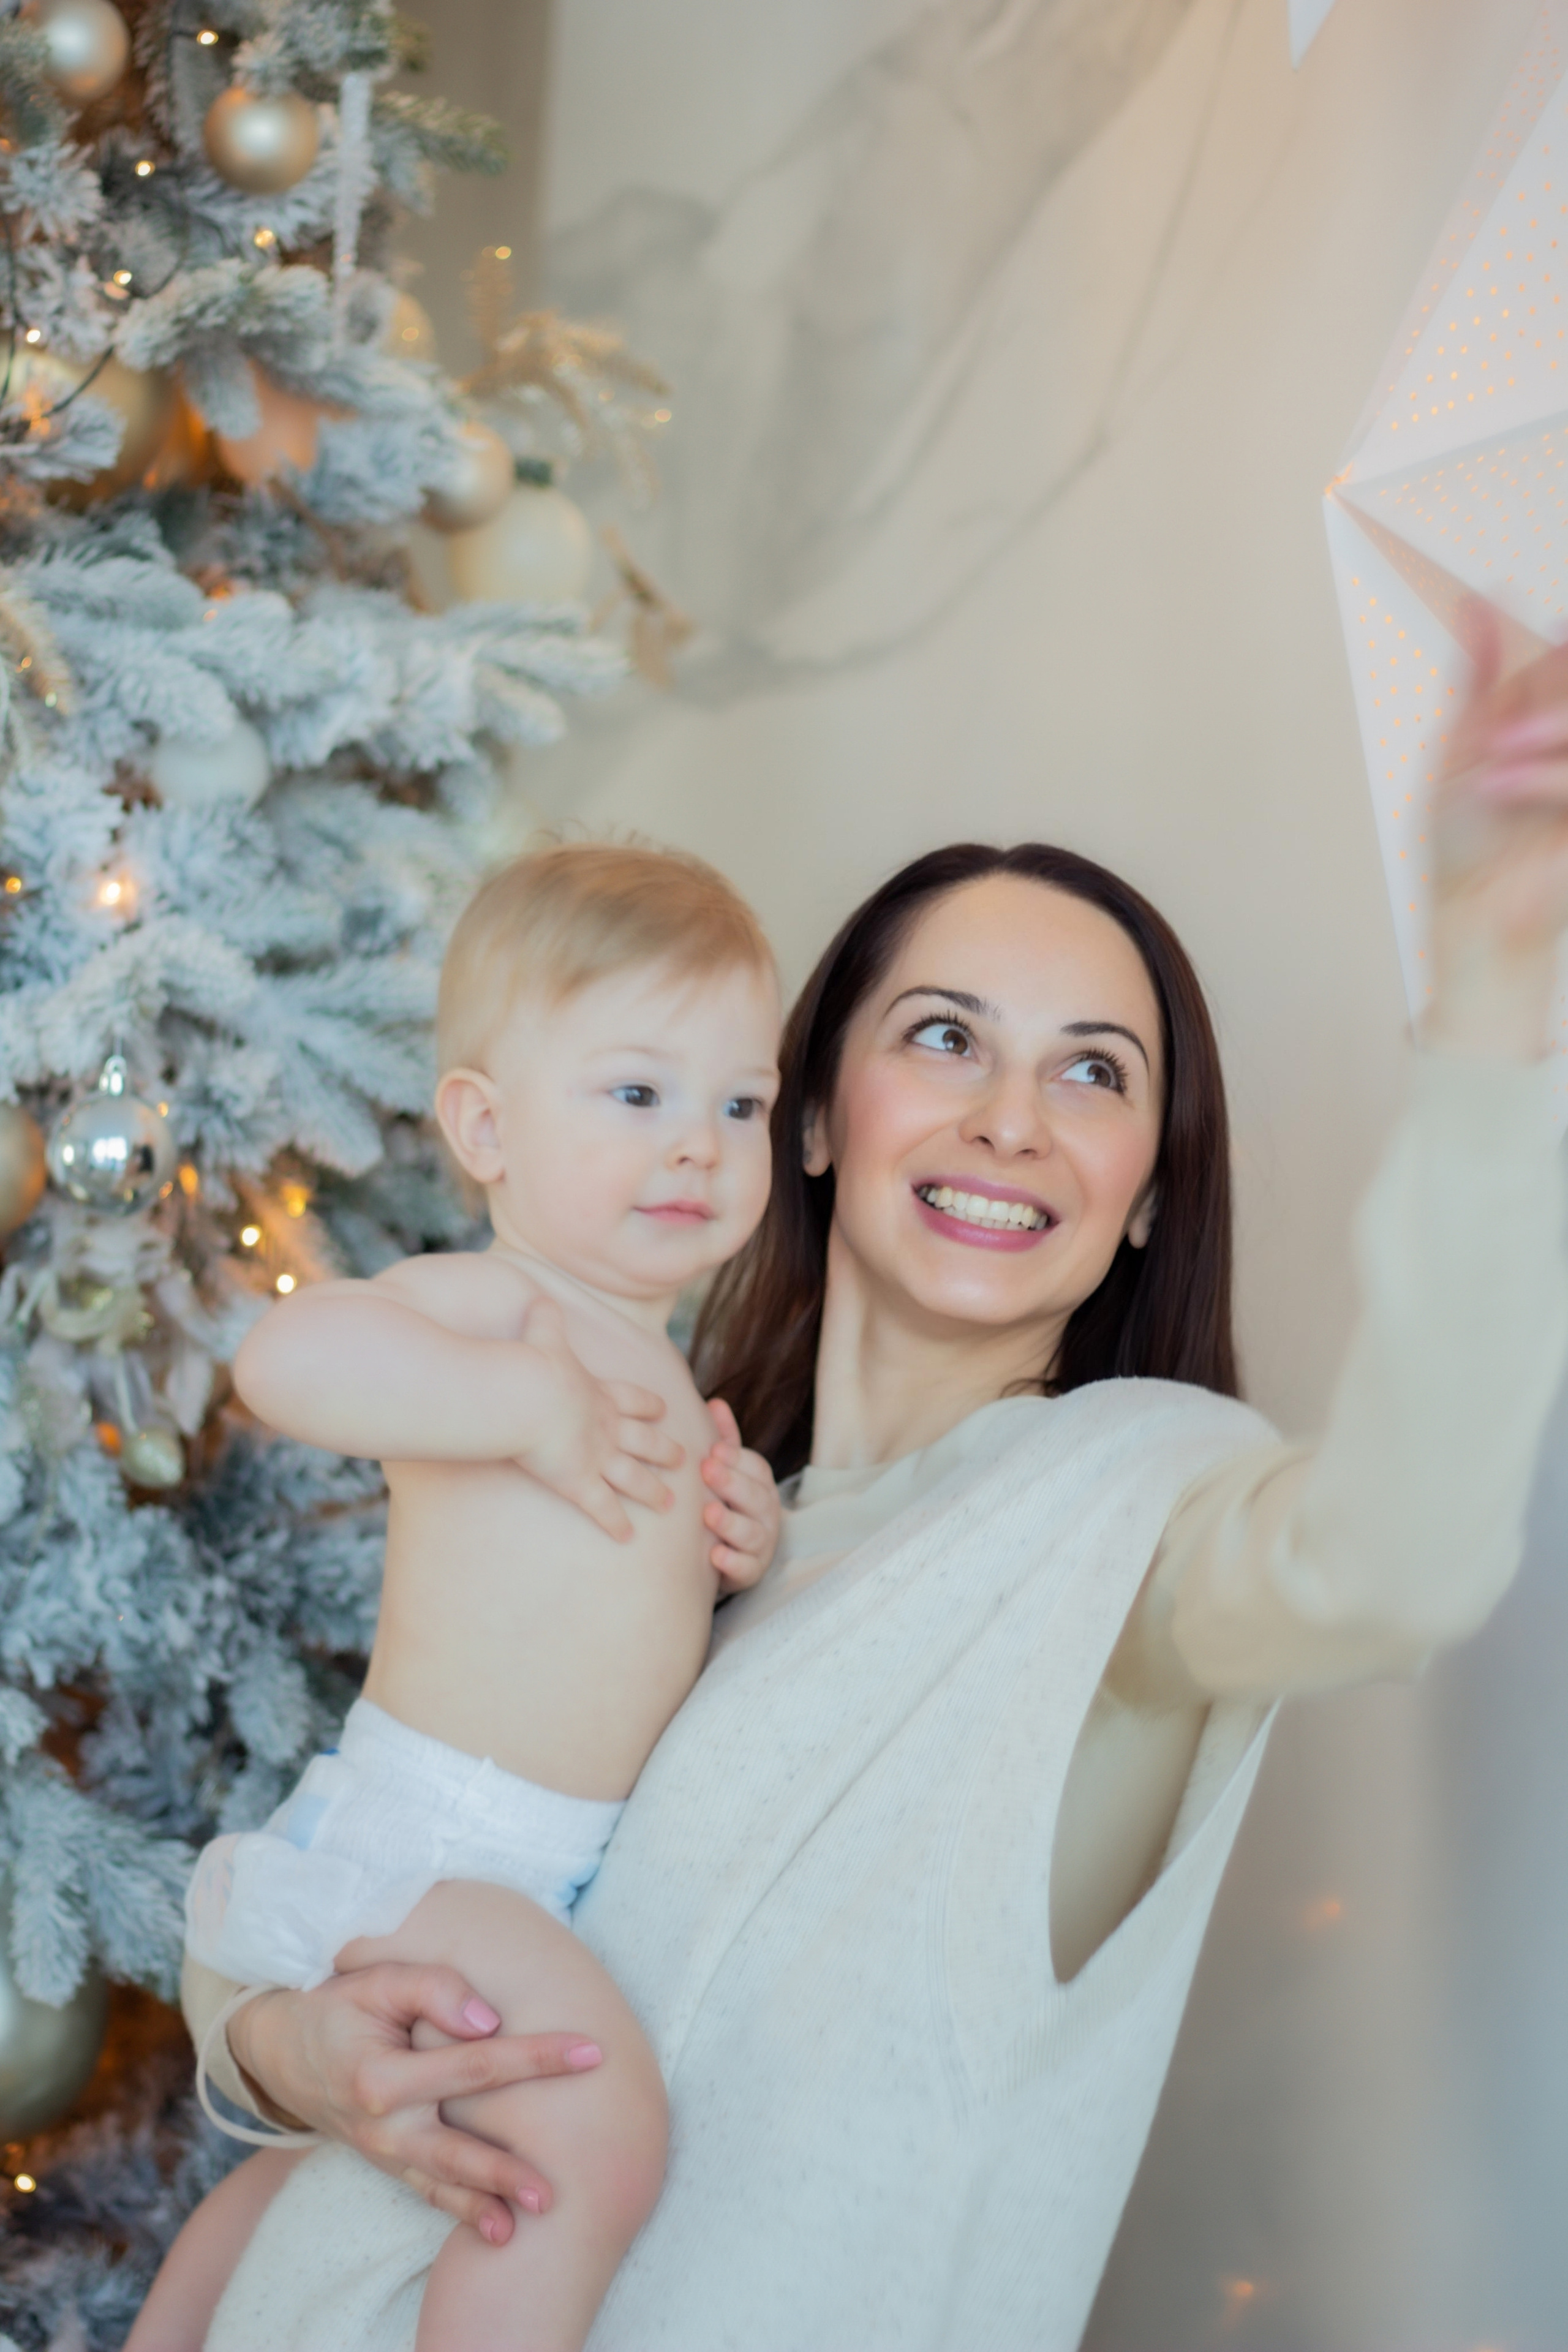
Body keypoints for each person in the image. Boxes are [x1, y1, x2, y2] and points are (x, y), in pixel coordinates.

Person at [182, 611, 1568, 2351]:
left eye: (1092, 1071)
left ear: (1145, 1189)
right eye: (942, 1038)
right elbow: (391, 1839)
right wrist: (280, 2045)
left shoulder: (1133, 1499)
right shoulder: (666, 1480)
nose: (1009, 1118)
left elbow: (1402, 1561)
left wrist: (1500, 1003)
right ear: (811, 1117)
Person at [131, 844, 786, 2352]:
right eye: (636, 1095)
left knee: (313, 2185)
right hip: (443, 1837)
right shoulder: (506, 1309)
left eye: (735, 1105)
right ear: (483, 1128)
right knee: (596, 2128)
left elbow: (631, 1593)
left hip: (530, 1866)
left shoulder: (669, 1371)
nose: (695, 1147)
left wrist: (738, 1530)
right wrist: (519, 1402)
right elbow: (280, 1363)